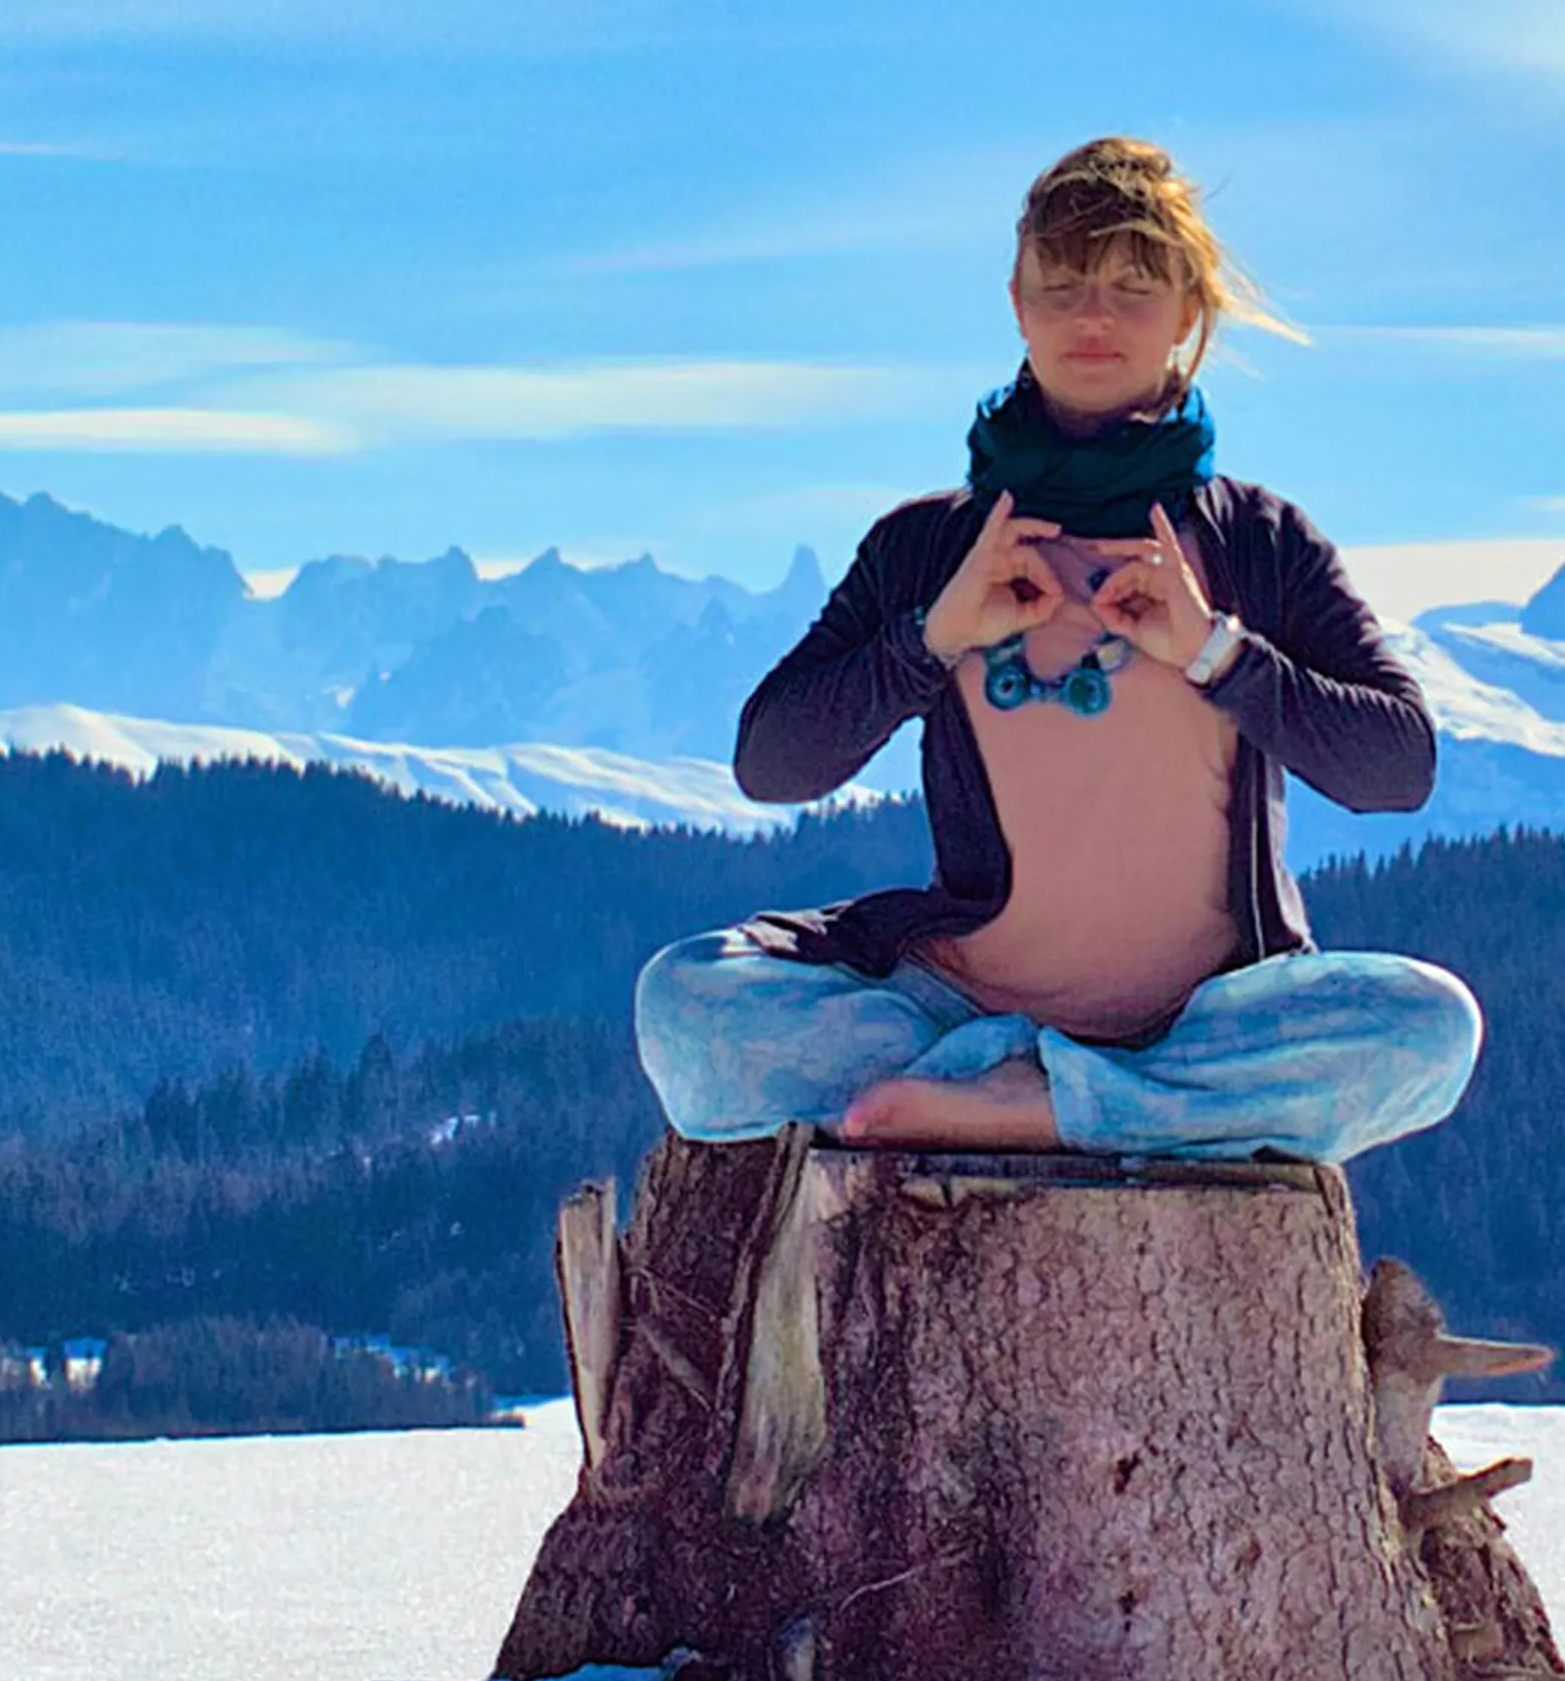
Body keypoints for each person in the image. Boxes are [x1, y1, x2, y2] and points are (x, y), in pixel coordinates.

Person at [632, 136, 1481, 1164]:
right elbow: (772, 765)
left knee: (1432, 1028)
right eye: (1064, 282)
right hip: (959, 1006)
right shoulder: (932, 547)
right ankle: (1099, 1099)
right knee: (685, 1003)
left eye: (1134, 285)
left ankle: (1035, 1105)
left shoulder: (1260, 544)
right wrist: (935, 637)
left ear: (1188, 315)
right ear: (1017, 303)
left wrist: (1216, 652)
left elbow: (1399, 770)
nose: (1093, 315)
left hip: (1204, 1018)